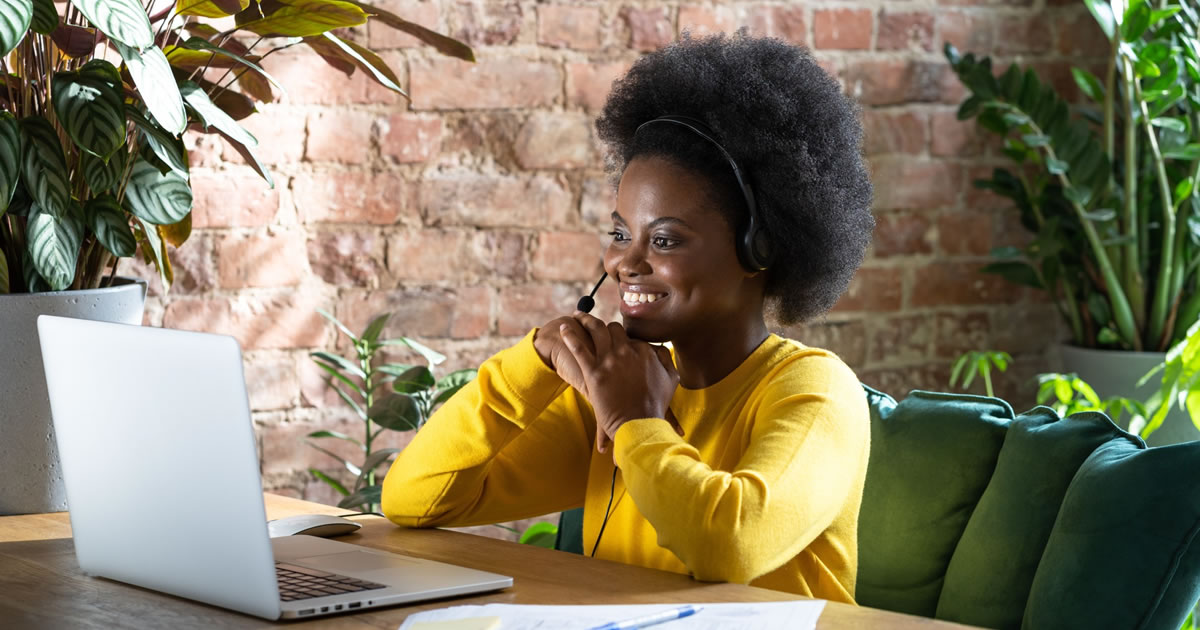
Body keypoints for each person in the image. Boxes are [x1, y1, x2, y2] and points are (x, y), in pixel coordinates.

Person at [382, 31, 875, 603]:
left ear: (757, 249)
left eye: (664, 240)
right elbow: (416, 498)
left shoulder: (814, 391)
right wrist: (532, 363)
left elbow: (729, 545)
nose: (624, 263)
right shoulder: (617, 387)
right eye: (620, 233)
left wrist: (634, 425)